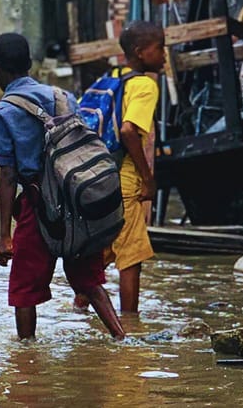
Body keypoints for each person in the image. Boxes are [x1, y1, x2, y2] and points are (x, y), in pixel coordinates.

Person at [0, 33, 125, 340]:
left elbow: (7, 176)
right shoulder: (63, 97)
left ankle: (26, 356)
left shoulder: (1, 112)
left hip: (38, 208)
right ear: (29, 63)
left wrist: (5, 237)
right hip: (77, 200)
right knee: (88, 278)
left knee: (25, 288)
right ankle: (121, 337)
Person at [94, 21, 163, 314]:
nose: (164, 54)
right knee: (132, 255)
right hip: (124, 179)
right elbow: (128, 131)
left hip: (99, 176)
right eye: (159, 48)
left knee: (103, 251)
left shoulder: (113, 78)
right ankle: (129, 324)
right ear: (140, 52)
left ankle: (80, 309)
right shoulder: (145, 86)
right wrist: (147, 179)